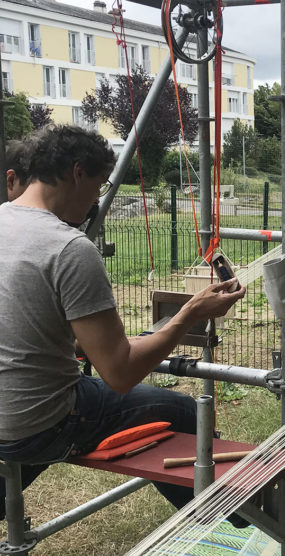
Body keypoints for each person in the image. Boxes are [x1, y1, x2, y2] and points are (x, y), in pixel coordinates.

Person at [0, 125, 246, 521]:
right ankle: (234, 524)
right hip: (40, 424)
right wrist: (189, 314)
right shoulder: (68, 248)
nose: (98, 200)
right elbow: (119, 372)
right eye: (98, 186)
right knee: (183, 411)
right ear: (78, 172)